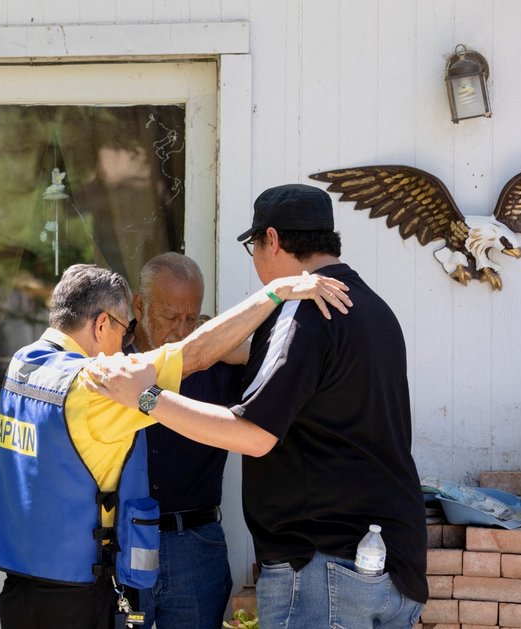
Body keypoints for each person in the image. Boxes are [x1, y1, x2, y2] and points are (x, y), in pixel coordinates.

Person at [85, 184, 428, 628]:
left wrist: (146, 397)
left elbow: (254, 435)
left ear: (272, 239)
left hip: (324, 568)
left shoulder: (305, 311)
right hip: (389, 564)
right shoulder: (372, 308)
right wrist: (249, 352)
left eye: (253, 246)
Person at [0, 262, 350, 629]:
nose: (123, 346)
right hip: (76, 591)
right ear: (102, 323)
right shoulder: (94, 385)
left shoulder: (25, 366)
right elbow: (194, 356)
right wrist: (276, 291)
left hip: (22, 586)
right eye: (123, 331)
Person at [126, 252, 242, 629]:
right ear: (140, 305)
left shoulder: (217, 360)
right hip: (122, 541)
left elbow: (278, 356)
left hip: (194, 543)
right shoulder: (112, 359)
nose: (180, 330)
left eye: (191, 318)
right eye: (170, 317)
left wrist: (221, 343)